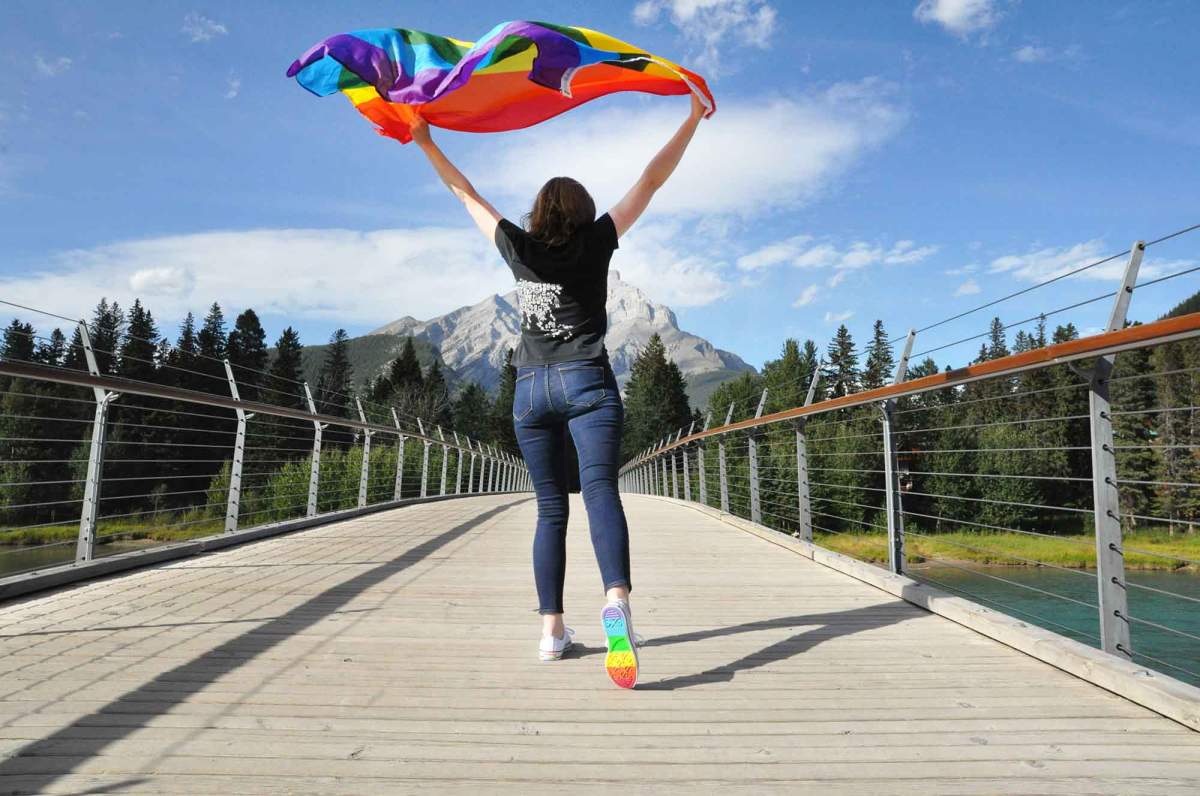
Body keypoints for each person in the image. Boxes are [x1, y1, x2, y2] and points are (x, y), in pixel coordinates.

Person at [411, 93, 707, 688]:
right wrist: (692, 118)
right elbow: (651, 180)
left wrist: (424, 140)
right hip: (588, 381)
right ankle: (616, 601)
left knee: (550, 510)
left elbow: (465, 193)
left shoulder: (518, 247)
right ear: (584, 211)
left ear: (539, 212)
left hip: (529, 390)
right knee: (600, 491)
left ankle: (552, 629)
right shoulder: (597, 242)